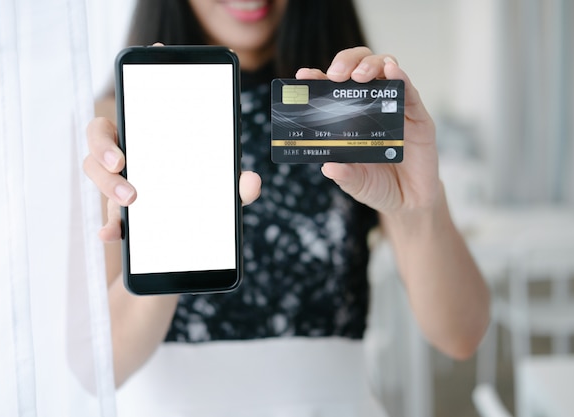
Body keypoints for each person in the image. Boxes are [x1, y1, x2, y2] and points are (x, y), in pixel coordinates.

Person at [84, 0, 490, 415]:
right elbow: (97, 367)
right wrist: (169, 227)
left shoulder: (342, 107)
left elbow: (462, 334)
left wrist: (419, 207)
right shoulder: (115, 124)